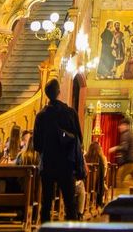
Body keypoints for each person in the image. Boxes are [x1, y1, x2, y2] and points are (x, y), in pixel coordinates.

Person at [32, 77, 83, 221]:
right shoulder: (70, 113)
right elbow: (79, 138)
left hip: (48, 163)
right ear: (59, 92)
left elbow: (36, 144)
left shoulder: (41, 116)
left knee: (46, 202)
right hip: (67, 164)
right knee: (69, 203)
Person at [111, 113, 133, 195]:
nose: (119, 127)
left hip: (129, 162)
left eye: (121, 125)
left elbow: (124, 147)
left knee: (119, 178)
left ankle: (121, 198)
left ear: (126, 125)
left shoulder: (125, 134)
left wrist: (115, 148)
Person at [86, 139, 107, 208]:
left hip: (86, 182)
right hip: (95, 183)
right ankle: (98, 202)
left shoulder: (85, 157)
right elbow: (102, 175)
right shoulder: (99, 159)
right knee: (103, 185)